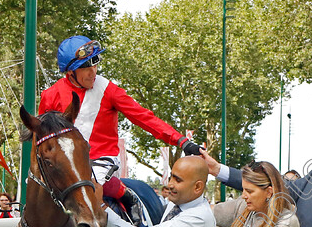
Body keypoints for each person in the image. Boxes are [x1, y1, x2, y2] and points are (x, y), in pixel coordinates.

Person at [39, 35, 201, 185]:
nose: (93, 71)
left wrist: (181, 141)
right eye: (85, 67)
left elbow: (143, 117)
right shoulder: (50, 95)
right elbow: (39, 140)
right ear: (70, 71)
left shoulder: (109, 90)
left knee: (93, 192)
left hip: (103, 162)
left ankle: (129, 208)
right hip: (65, 165)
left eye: (95, 62)